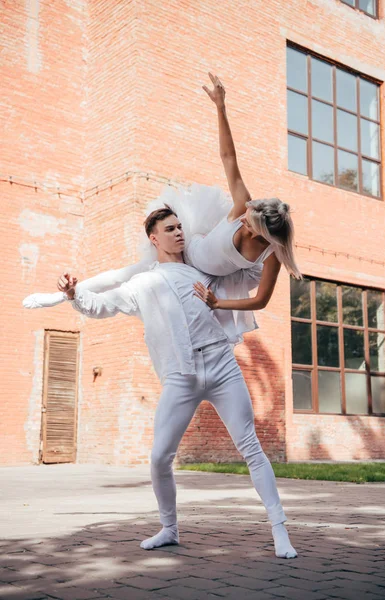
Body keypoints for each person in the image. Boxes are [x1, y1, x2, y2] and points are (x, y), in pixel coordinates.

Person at [57, 205, 297, 559]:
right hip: (180, 377)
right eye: (170, 229)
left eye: (180, 226)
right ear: (154, 238)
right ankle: (169, 528)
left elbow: (252, 274)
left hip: (221, 366)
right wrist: (75, 294)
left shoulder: (207, 268)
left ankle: (280, 530)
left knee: (251, 447)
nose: (179, 232)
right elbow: (101, 305)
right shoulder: (142, 283)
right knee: (158, 458)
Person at [23, 72, 301, 325]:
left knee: (191, 317)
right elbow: (228, 157)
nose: (242, 218)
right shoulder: (243, 206)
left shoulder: (272, 255)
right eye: (247, 215)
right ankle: (64, 296)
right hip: (190, 248)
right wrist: (220, 107)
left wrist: (219, 302)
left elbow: (261, 300)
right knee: (126, 274)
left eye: (250, 223)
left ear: (264, 234)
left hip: (208, 277)